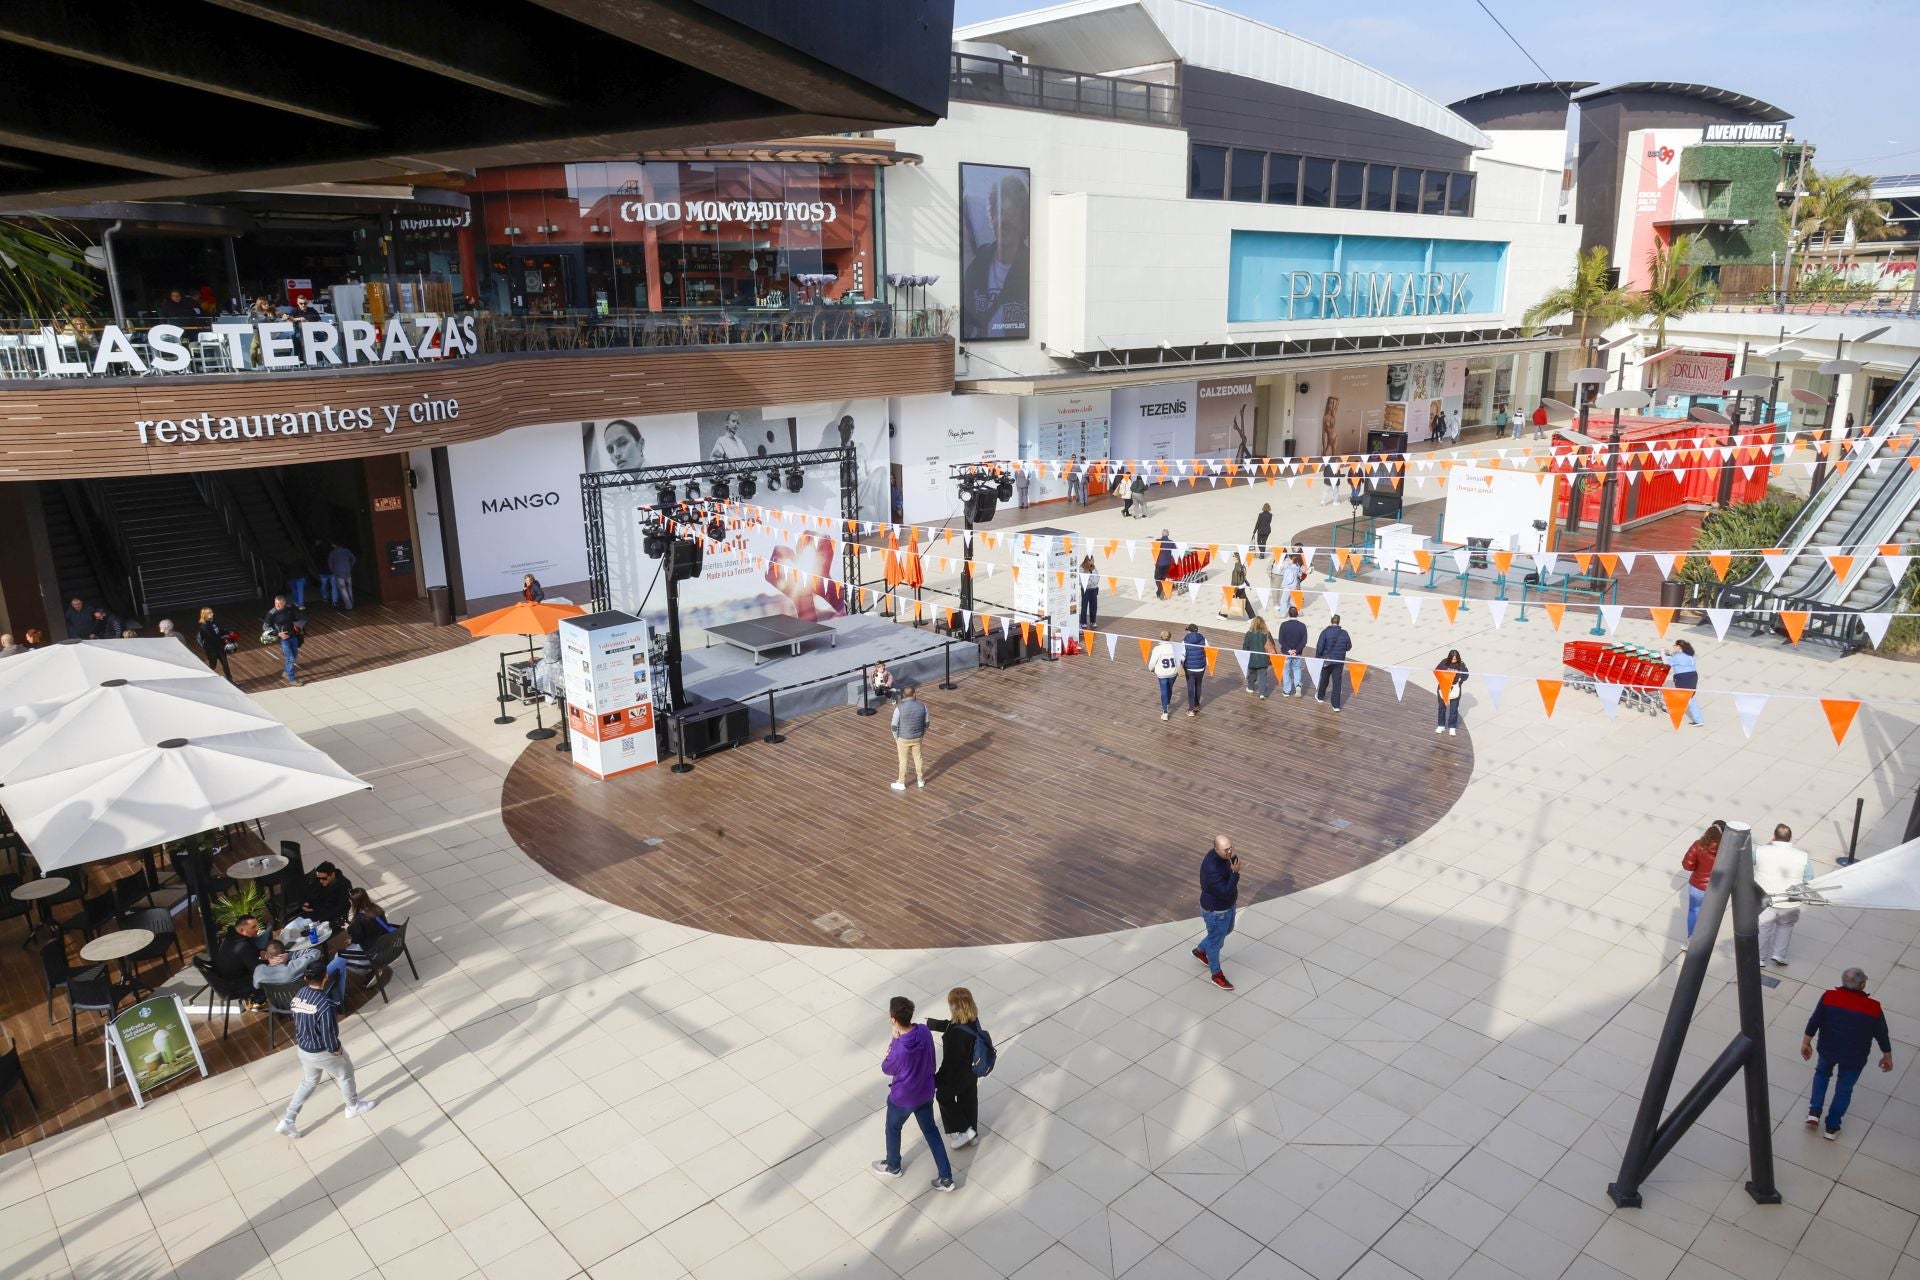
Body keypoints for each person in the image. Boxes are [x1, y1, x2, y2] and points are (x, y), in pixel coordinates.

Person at [275, 959, 377, 1138]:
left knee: (308, 1083)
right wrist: (336, 1049)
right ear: (326, 976)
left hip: (304, 1049)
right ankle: (352, 1107)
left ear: (306, 978)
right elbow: (328, 1033)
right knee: (345, 1074)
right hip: (322, 1051)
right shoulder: (325, 1004)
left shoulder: (299, 995)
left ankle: (289, 1119)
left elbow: (295, 1018)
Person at [871, 995, 955, 1191]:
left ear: (893, 1019)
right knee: (931, 1132)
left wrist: (894, 1039)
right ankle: (946, 1177)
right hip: (925, 1092)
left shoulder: (899, 1047)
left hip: (903, 1098)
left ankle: (893, 1166)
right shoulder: (924, 1031)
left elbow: (887, 1068)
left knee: (893, 1128)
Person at [1802, 967, 1894, 1139]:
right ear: (1862, 984)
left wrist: (1806, 1042)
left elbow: (1815, 1020)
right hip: (1854, 1057)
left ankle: (1814, 1112)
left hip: (1828, 1049)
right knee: (1844, 1089)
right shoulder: (1873, 1008)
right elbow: (1882, 1034)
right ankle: (1832, 1127)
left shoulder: (1829, 997)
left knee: (1822, 1074)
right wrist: (1887, 1055)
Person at [961, 170, 1029, 341]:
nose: (1002, 220)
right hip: (979, 356)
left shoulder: (1030, 267)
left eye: (1010, 212)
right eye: (997, 213)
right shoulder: (978, 265)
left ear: (1023, 220)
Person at [925, 988, 985, 1149]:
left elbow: (950, 1063)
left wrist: (936, 1079)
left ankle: (965, 1131)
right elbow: (953, 1026)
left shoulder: (956, 1036)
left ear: (955, 1006)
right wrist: (933, 1024)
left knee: (943, 1096)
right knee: (968, 1100)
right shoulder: (972, 1019)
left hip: (959, 1074)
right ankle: (973, 1134)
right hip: (972, 1071)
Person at [1755, 824, 1813, 966]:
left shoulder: (1760, 851)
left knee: (1763, 928)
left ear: (1774, 836)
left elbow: (1750, 861)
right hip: (1790, 901)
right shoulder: (1803, 857)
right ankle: (1779, 955)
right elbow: (1809, 879)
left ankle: (1760, 958)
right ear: (1790, 838)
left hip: (1765, 898)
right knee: (1785, 926)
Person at [1194, 835, 1240, 991]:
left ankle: (1201, 950)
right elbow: (1225, 892)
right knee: (1215, 944)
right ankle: (1216, 975)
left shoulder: (1219, 855)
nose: (1230, 851)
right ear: (1216, 850)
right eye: (1226, 849)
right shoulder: (1212, 869)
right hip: (1216, 912)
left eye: (1230, 847)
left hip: (1227, 906)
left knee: (1227, 930)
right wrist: (1235, 873)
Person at [1679, 821, 1726, 950]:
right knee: (1710, 916)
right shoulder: (1726, 850)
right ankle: (1704, 943)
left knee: (1694, 911)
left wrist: (1698, 867)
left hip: (1697, 886)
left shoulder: (1698, 845)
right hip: (1716, 889)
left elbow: (1687, 865)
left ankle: (1690, 940)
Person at [341, 887, 395, 988]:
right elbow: (370, 931)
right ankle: (373, 969)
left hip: (374, 951)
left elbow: (358, 937)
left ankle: (371, 970)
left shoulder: (359, 919)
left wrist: (349, 928)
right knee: (352, 946)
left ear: (354, 902)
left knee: (340, 957)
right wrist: (353, 939)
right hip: (386, 944)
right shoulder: (377, 909)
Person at [889, 684, 927, 792]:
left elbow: (894, 726)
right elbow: (926, 723)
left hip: (903, 738)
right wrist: (922, 734)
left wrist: (896, 738)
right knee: (918, 758)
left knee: (903, 761)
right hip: (918, 737)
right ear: (914, 694)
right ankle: (920, 780)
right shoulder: (923, 706)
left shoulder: (899, 708)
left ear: (903, 696)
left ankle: (901, 782)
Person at [253, 937, 322, 992]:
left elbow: (256, 986)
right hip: (301, 1000)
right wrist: (289, 955)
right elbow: (316, 952)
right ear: (284, 953)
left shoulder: (259, 971)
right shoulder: (293, 967)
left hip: (278, 1005)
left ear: (266, 956)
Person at [1315, 613, 1352, 711]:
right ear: (1339, 622)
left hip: (1326, 660)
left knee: (1324, 679)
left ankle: (1320, 697)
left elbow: (1319, 647)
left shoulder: (1325, 632)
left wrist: (1318, 658)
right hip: (1338, 661)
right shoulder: (1344, 633)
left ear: (1331, 621)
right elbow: (1348, 647)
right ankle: (1336, 705)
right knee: (1337, 682)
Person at [263, 594, 302, 684]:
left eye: (280, 604)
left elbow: (295, 619)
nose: (277, 605)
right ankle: (292, 679)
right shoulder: (271, 613)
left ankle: (286, 671)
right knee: (290, 658)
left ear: (284, 603)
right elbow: (265, 627)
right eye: (276, 603)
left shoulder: (289, 609)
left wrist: (299, 619)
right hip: (283, 639)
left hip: (293, 636)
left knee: (294, 655)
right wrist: (278, 634)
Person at [300, 861, 352, 928]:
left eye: (324, 879)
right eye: (319, 878)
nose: (321, 881)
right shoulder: (321, 878)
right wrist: (306, 903)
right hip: (319, 907)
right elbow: (312, 892)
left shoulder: (344, 884)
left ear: (333, 874)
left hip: (332, 912)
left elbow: (340, 906)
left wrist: (321, 920)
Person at [1667, 640, 1704, 726]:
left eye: (1674, 646)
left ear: (1679, 647)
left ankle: (1698, 720)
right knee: (1686, 696)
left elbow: (1667, 663)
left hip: (1684, 678)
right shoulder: (1690, 656)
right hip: (1693, 677)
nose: (1673, 648)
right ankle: (1672, 710)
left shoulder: (1678, 657)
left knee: (1688, 698)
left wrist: (1662, 652)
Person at [1277, 606, 1309, 698]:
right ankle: (1298, 685)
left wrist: (1289, 650)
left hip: (1286, 653)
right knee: (1297, 668)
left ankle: (1287, 691)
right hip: (1297, 653)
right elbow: (1304, 641)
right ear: (1297, 614)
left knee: (1286, 671)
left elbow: (1281, 640)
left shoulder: (1284, 625)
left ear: (1289, 614)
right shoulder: (1302, 626)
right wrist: (1297, 650)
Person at [1434, 649, 1468, 736]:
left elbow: (1466, 674)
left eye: (1455, 659)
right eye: (1452, 659)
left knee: (1453, 709)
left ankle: (1452, 727)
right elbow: (1437, 671)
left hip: (1455, 688)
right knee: (1442, 708)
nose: (1454, 660)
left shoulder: (1461, 664)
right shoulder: (1444, 662)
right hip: (1443, 687)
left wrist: (1460, 681)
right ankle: (1441, 725)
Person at [1150, 628, 1180, 721]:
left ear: (1160, 638)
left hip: (1162, 673)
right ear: (1170, 637)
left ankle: (1165, 712)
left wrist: (1151, 669)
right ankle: (1168, 702)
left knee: (1163, 690)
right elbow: (1179, 659)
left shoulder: (1157, 649)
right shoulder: (1175, 647)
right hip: (1173, 672)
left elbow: (1152, 662)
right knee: (1169, 688)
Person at [1243, 616, 1275, 698]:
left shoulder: (1249, 633)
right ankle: (1262, 693)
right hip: (1263, 658)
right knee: (1263, 676)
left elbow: (1245, 646)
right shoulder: (1266, 633)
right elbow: (1272, 645)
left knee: (1252, 673)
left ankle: (1250, 688)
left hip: (1252, 658)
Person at [196, 606, 232, 679]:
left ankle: (229, 678)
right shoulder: (204, 626)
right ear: (205, 615)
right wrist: (223, 639)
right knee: (213, 665)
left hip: (220, 647)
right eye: (210, 613)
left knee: (225, 663)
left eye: (212, 612)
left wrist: (228, 632)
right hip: (211, 649)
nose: (212, 614)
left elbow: (220, 631)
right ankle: (208, 677)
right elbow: (212, 637)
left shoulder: (214, 622)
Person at [1181, 622, 1207, 717]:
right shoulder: (1204, 639)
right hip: (1201, 667)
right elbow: (1208, 652)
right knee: (1199, 685)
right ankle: (1196, 705)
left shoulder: (1184, 641)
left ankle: (1191, 709)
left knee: (1190, 688)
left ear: (1189, 631)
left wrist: (1181, 665)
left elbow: (1182, 655)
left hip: (1189, 668)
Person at [327, 542, 357, 609]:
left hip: (338, 573)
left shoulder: (332, 553)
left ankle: (349, 606)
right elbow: (354, 559)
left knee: (343, 589)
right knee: (349, 588)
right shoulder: (347, 551)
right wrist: (350, 566)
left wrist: (333, 570)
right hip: (348, 572)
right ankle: (352, 603)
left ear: (334, 545)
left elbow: (330, 565)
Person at [1219, 553, 1249, 620]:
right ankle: (1252, 616)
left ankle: (1222, 615)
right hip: (1238, 586)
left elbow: (1241, 574)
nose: (1232, 557)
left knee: (1228, 598)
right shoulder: (1238, 565)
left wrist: (1236, 586)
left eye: (1233, 556)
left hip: (1237, 586)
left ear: (1237, 558)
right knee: (1244, 601)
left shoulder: (1238, 565)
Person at [1078, 555, 1099, 629]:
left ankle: (1093, 621)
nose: (1092, 562)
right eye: (1091, 560)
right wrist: (1089, 577)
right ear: (1087, 560)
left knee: (1094, 606)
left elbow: (1097, 578)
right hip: (1085, 589)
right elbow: (1081, 580)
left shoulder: (1094, 568)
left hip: (1094, 589)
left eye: (1093, 560)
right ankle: (1083, 622)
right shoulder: (1081, 568)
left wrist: (1092, 573)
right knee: (1084, 606)